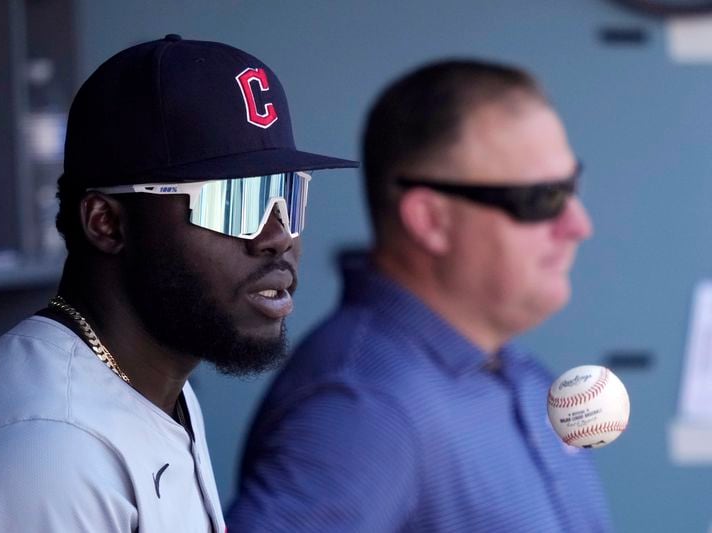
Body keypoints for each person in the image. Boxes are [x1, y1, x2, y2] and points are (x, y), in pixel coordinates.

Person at [0, 35, 356, 532]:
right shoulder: (51, 454)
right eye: (233, 203)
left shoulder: (153, 382)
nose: (277, 236)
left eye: (287, 195)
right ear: (107, 222)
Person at [228, 60, 612, 532]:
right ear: (431, 220)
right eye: (540, 199)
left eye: (571, 188)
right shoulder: (364, 408)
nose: (579, 225)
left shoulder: (512, 370)